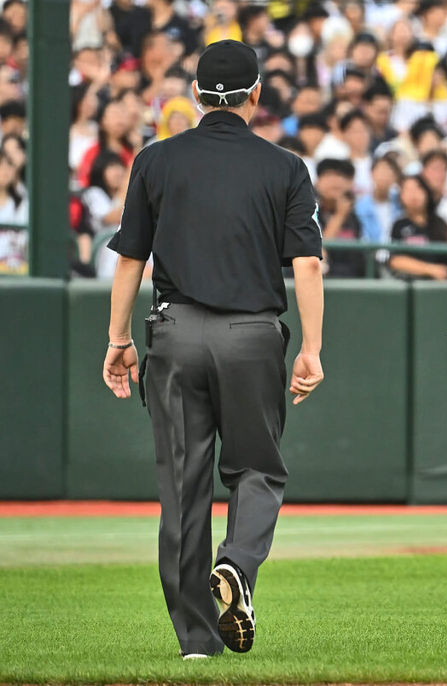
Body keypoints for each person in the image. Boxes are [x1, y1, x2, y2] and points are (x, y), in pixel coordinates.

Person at [101, 41, 325, 659]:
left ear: (196, 95)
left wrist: (118, 339)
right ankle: (238, 565)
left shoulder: (155, 159)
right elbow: (306, 263)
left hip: (173, 333)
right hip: (252, 336)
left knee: (183, 488)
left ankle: (196, 642)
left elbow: (129, 260)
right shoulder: (284, 167)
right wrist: (311, 347)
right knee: (257, 470)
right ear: (256, 94)